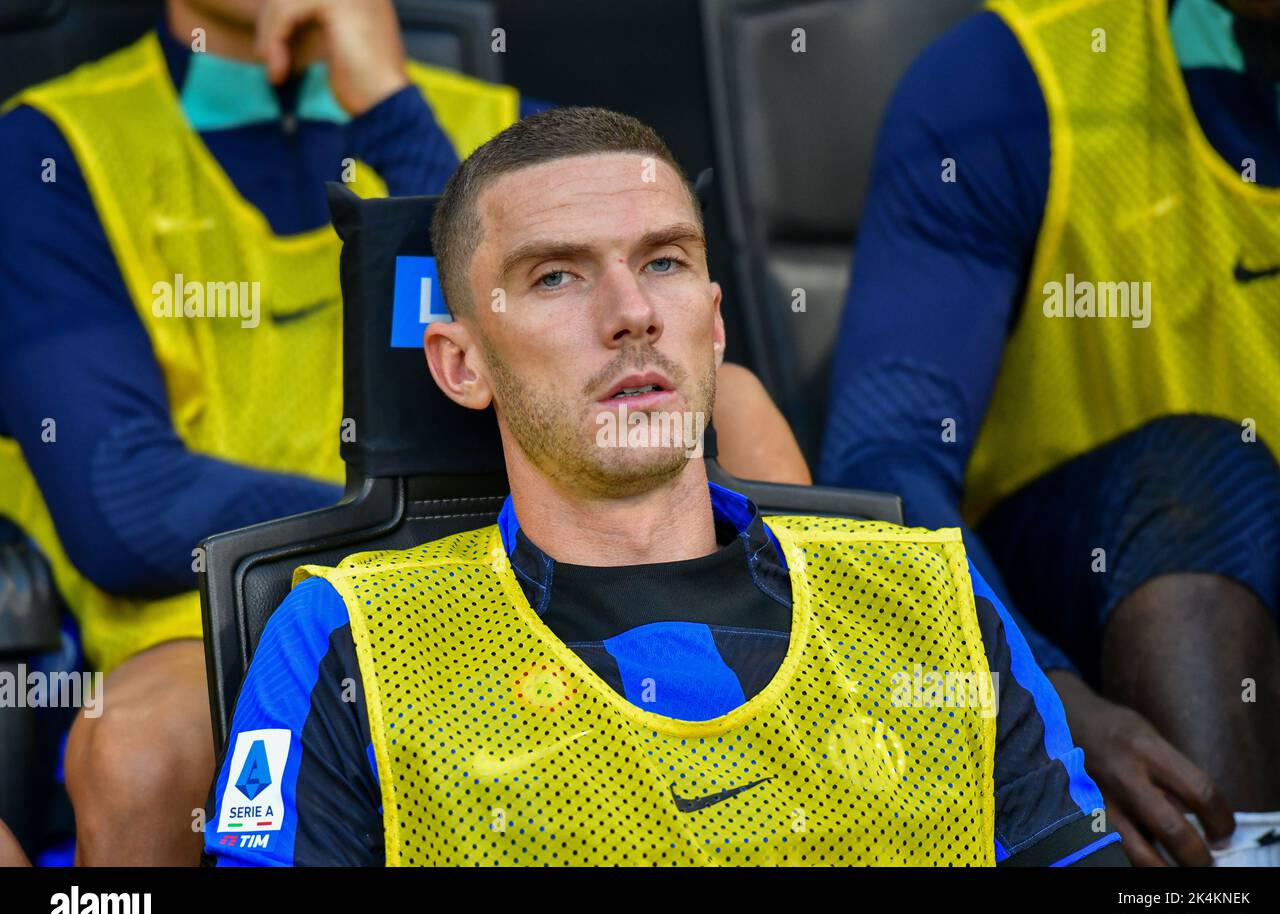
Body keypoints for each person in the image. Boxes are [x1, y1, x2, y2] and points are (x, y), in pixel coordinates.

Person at [200, 105, 1124, 867]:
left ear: (714, 325)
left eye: (665, 262)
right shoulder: (347, 643)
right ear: (459, 363)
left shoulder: (935, 604)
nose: (632, 312)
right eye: (556, 275)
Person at [0, 0, 807, 866]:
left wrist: (392, 108)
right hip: (215, 606)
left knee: (741, 403)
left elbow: (515, 328)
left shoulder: (504, 124)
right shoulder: (53, 147)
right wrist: (394, 549)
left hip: (550, 555)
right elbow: (121, 498)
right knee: (138, 745)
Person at [820, 0, 1280, 866]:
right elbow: (882, 460)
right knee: (1206, 479)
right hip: (1089, 604)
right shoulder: (1007, 84)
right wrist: (1045, 701)